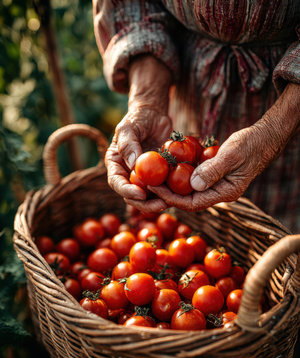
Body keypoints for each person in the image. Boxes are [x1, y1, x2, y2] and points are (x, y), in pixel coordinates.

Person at [93, 1, 300, 232]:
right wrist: (147, 99)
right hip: (187, 79)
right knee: (197, 228)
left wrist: (274, 130)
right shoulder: (173, 147)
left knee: (279, 236)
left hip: (290, 110)